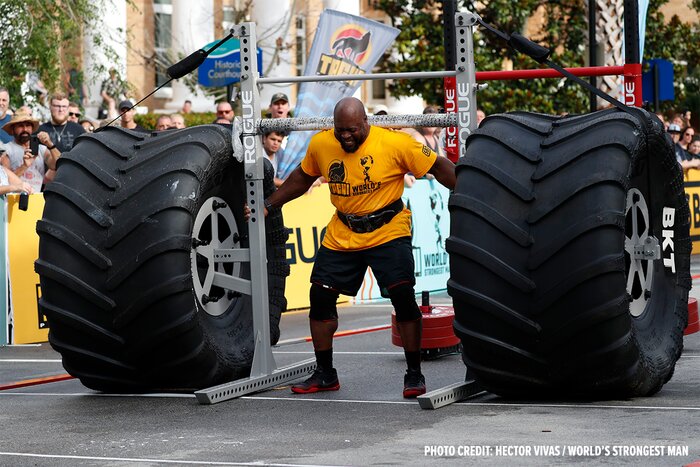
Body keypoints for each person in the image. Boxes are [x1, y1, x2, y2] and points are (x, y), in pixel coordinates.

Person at [263, 97, 456, 398]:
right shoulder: (322, 144)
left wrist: (471, 191)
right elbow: (302, 177)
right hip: (343, 231)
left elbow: (440, 166)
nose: (345, 136)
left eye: (352, 130)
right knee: (320, 296)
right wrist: (268, 204)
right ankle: (325, 373)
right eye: (340, 130)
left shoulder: (395, 144)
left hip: (388, 230)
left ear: (365, 122)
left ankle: (414, 374)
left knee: (402, 296)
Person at [0, 112, 60, 193]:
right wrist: (24, 166)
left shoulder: (41, 149)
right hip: (14, 199)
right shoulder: (5, 149)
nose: (25, 129)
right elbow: (4, 181)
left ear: (32, 129)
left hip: (36, 198)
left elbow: (58, 164)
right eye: (20, 126)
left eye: (28, 125)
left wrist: (50, 145)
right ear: (12, 129)